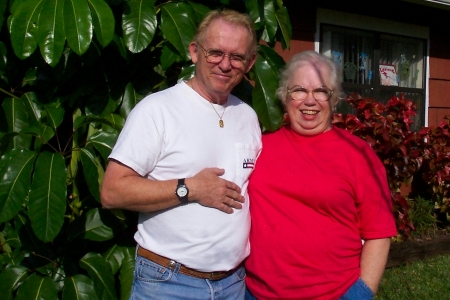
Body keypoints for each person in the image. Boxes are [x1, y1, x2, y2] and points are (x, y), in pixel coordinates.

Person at [100, 9, 261, 300]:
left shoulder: (248, 116)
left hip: (233, 284)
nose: (225, 64)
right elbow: (112, 191)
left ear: (250, 63)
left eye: (236, 57)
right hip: (169, 283)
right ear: (194, 52)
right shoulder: (157, 110)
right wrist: (190, 188)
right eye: (215, 52)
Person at [244, 51, 397, 300]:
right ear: (285, 96)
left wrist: (361, 293)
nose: (310, 101)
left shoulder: (357, 154)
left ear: (334, 98)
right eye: (299, 90)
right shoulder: (259, 146)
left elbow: (378, 233)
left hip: (334, 294)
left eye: (321, 91)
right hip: (257, 293)